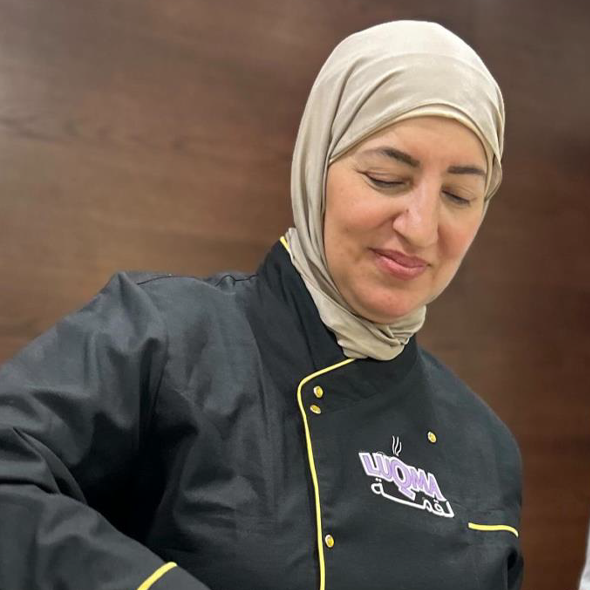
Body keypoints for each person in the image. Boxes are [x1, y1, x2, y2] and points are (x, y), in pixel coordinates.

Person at [0, 20, 523, 590]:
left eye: (458, 195)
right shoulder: (163, 336)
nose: (420, 228)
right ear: (317, 164)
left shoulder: (486, 448)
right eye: (386, 177)